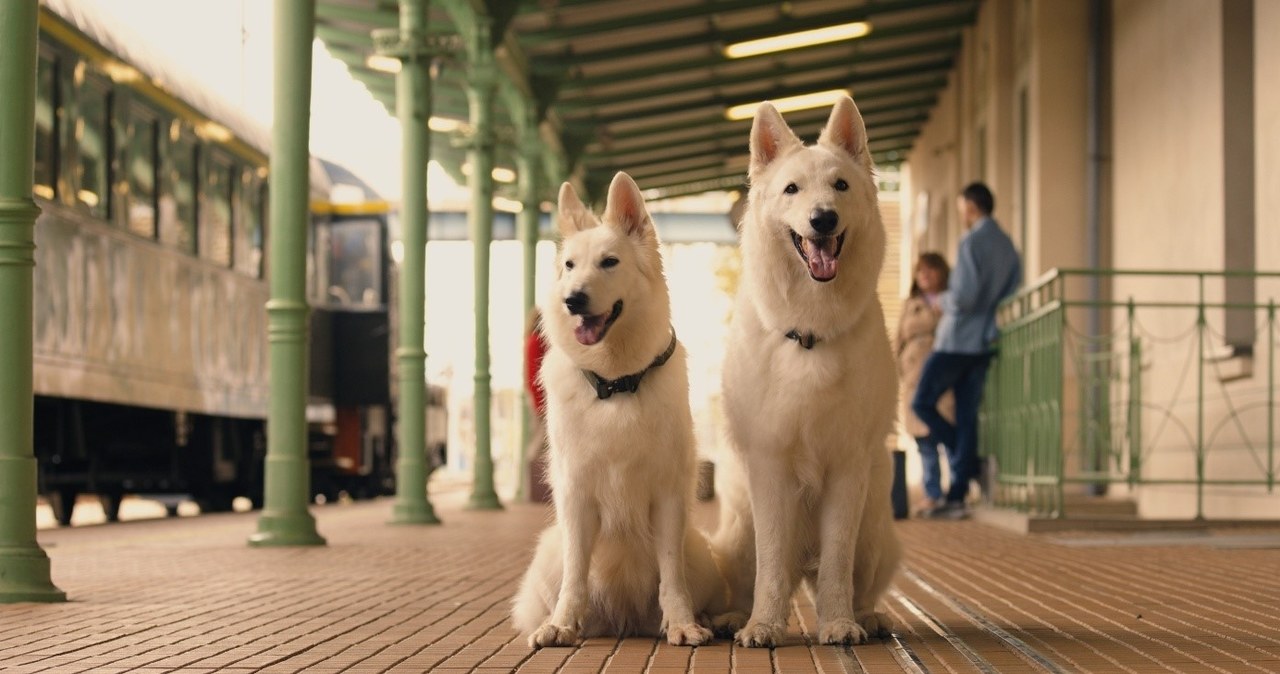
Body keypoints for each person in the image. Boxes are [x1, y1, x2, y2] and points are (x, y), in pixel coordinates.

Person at [911, 182, 1021, 519]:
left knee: (922, 403)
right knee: (967, 415)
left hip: (958, 339)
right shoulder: (1008, 247)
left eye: (962, 210)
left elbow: (963, 298)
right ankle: (958, 492)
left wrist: (942, 300)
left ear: (971, 208)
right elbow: (1011, 291)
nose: (962, 217)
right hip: (985, 341)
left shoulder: (972, 241)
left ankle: (968, 462)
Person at [895, 252, 956, 517]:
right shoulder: (910, 304)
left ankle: (955, 493)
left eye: (931, 271)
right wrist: (899, 368)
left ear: (942, 273)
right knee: (924, 442)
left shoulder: (951, 300)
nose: (926, 276)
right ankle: (932, 494)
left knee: (946, 434)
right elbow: (898, 338)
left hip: (943, 375)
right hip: (913, 375)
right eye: (921, 272)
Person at [523, 308, 552, 503]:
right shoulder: (536, 342)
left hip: (542, 399)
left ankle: (534, 491)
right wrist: (541, 403)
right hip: (542, 400)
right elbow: (535, 376)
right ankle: (533, 491)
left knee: (540, 443)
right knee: (538, 444)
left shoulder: (533, 341)